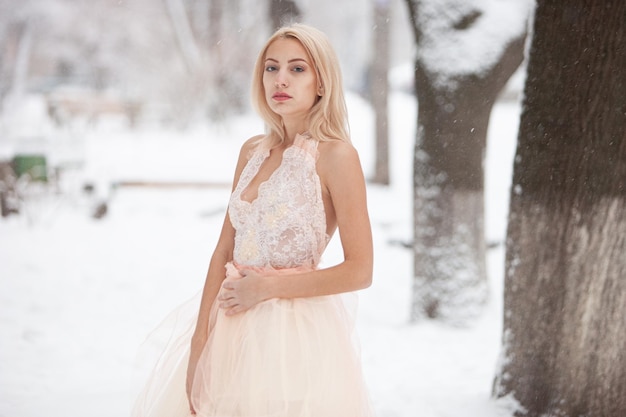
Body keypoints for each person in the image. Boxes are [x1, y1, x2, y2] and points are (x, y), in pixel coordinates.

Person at [132, 23, 375, 417]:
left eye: (298, 69)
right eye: (271, 68)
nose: (281, 79)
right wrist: (200, 345)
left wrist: (266, 289)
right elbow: (224, 250)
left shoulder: (336, 157)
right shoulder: (252, 152)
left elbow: (360, 271)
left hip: (293, 335)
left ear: (321, 82)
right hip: (230, 328)